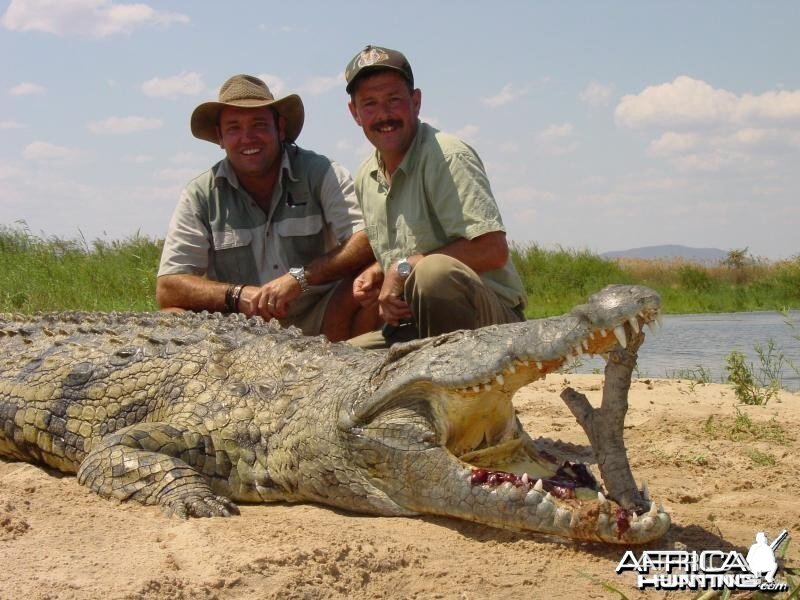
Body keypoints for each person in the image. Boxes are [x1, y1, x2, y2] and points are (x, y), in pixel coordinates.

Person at [157, 74, 377, 341]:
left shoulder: (321, 172)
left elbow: (365, 239)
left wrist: (299, 280)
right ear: (220, 137)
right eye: (234, 128)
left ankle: (348, 366)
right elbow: (168, 286)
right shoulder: (200, 194)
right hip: (240, 332)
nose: (248, 138)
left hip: (323, 317)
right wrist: (238, 295)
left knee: (372, 285)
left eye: (259, 125)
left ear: (280, 128)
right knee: (170, 318)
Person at [343, 46, 527, 349]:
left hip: (489, 327)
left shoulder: (448, 155)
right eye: (370, 104)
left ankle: (459, 389)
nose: (384, 115)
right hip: (415, 326)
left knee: (432, 273)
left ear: (415, 102)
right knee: (337, 364)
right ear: (355, 113)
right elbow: (412, 248)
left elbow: (493, 250)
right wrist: (377, 273)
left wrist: (401, 269)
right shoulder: (366, 175)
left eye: (394, 100)